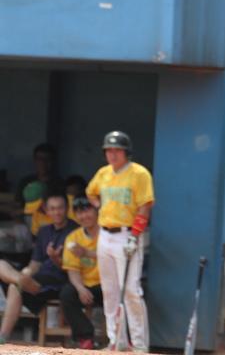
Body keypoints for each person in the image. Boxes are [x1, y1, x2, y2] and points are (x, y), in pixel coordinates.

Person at [86, 130, 153, 352]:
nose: (112, 154)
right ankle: (116, 340)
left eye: (117, 150)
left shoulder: (139, 173)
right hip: (105, 234)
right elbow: (91, 192)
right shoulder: (103, 173)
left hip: (127, 234)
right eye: (109, 150)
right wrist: (99, 205)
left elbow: (145, 206)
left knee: (131, 290)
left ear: (126, 152)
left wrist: (135, 236)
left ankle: (140, 345)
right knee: (110, 291)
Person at [0, 192, 77, 343]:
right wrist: (27, 272)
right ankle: (20, 279)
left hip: (60, 281)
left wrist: (55, 259)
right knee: (2, 265)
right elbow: (35, 263)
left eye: (60, 208)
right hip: (38, 278)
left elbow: (74, 269)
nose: (56, 212)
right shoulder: (44, 231)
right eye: (52, 208)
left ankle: (2, 337)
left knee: (15, 287)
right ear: (47, 211)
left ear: (67, 208)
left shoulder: (75, 231)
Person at [60, 195, 102, 350]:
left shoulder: (108, 233)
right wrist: (80, 288)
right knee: (67, 294)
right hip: (85, 285)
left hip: (107, 284)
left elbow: (112, 257)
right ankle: (85, 338)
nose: (84, 216)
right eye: (79, 212)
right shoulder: (73, 238)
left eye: (87, 210)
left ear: (97, 211)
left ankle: (119, 339)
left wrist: (87, 253)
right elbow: (72, 269)